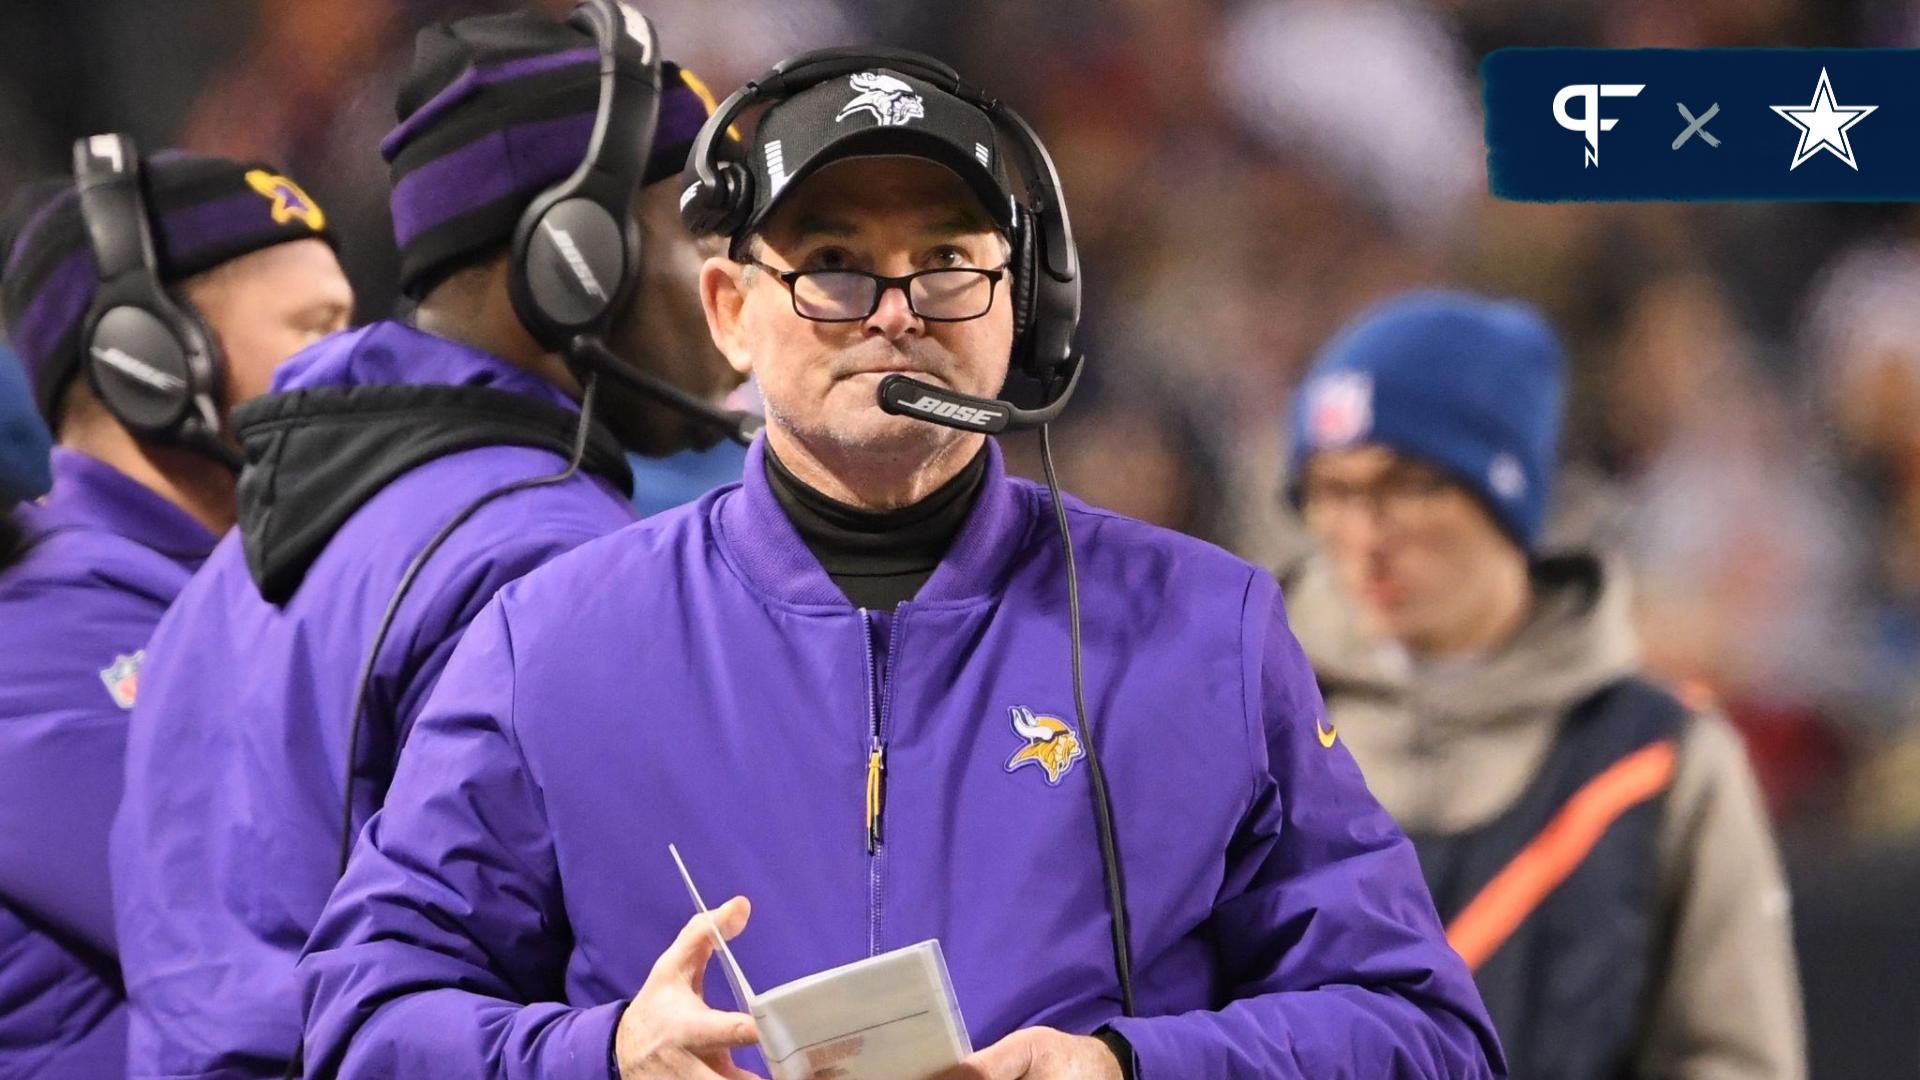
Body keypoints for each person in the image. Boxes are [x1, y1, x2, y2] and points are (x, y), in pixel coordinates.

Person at [298, 52, 1504, 1079]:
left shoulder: (1207, 627)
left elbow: (1425, 1029)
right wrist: (603, 1054)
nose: (895, 310)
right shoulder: (552, 638)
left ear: (1023, 306)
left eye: (947, 262)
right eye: (831, 263)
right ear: (728, 311)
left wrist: (1133, 1063)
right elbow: (361, 1016)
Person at [107, 7, 742, 1077]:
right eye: (704, 231)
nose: (744, 285)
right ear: (574, 263)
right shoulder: (546, 558)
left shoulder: (228, 564)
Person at [1280, 290, 1805, 1080]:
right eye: (1332, 491)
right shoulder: (1250, 726)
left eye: (1408, 486)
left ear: (1504, 490)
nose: (1363, 534)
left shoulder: (1653, 762)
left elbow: (1736, 1057)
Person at [0, 147, 350, 1078]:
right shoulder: (34, 637)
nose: (360, 367)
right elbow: (279, 942)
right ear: (151, 362)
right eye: (317, 330)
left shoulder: (241, 587)